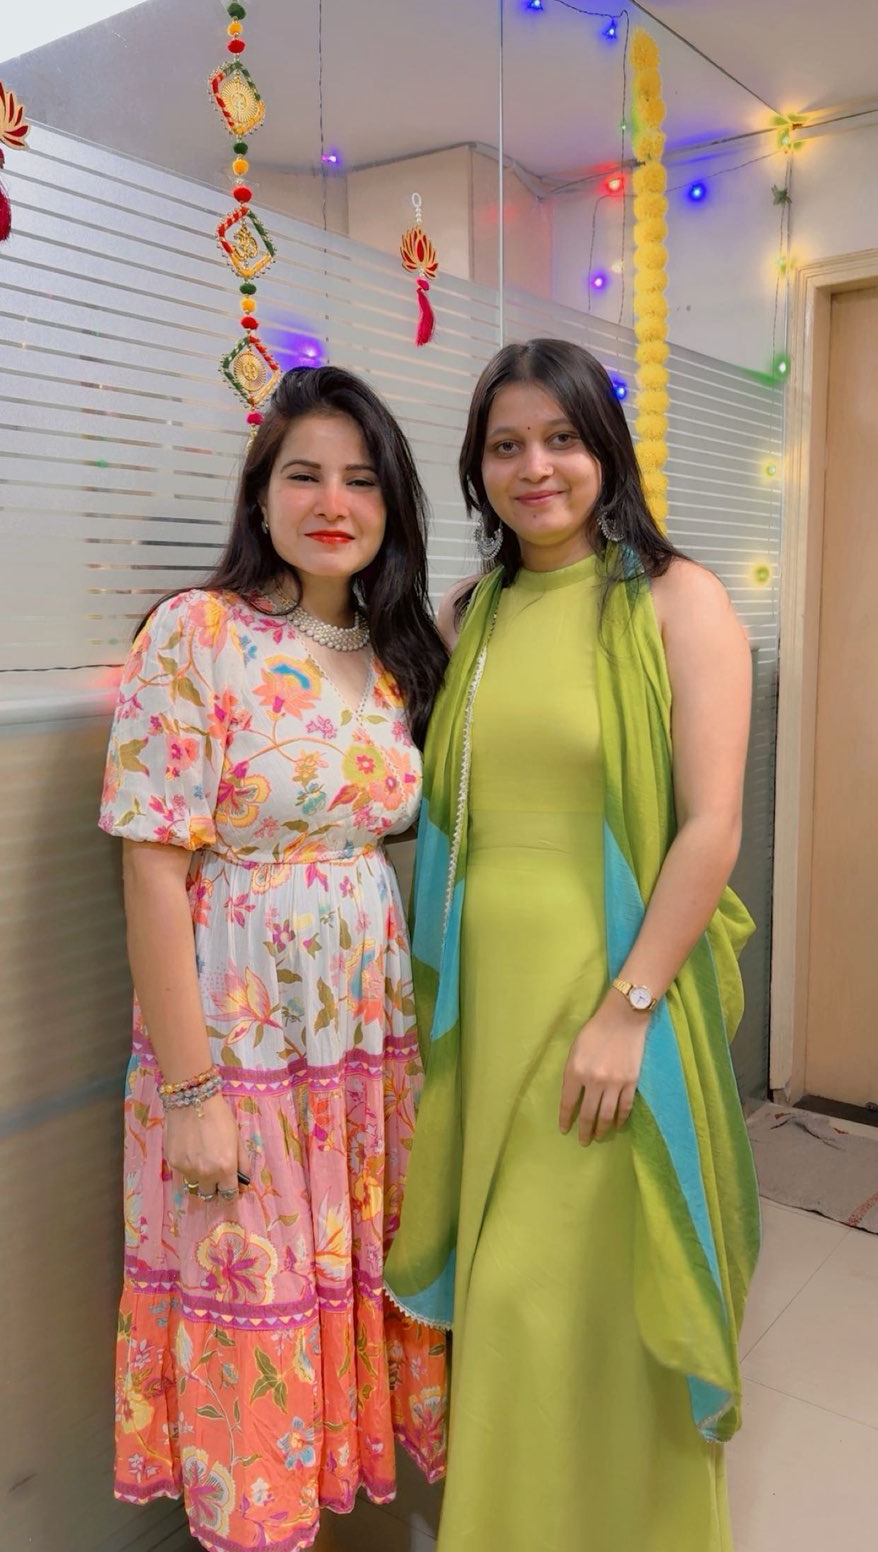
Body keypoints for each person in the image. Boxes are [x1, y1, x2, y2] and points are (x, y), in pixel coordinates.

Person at [385, 338, 761, 1551]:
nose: (533, 468)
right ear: (476, 468)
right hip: (482, 1007)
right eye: (505, 446)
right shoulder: (469, 615)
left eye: (559, 439)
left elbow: (710, 825)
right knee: (511, 1304)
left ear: (606, 450)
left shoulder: (676, 600)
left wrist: (626, 1009)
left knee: (566, 1297)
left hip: (607, 1000)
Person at [99, 365, 448, 1552]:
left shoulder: (394, 651)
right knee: (254, 1314)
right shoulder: (194, 634)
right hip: (240, 1048)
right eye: (304, 474)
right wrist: (191, 1093)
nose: (332, 502)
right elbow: (151, 873)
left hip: (360, 1050)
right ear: (260, 494)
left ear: (391, 502)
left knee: (335, 1296)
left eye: (360, 479)